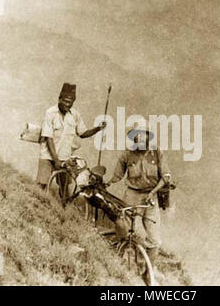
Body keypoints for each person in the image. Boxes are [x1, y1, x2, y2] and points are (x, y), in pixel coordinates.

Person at [106, 120, 172, 284]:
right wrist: (106, 182)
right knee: (127, 229)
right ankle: (123, 261)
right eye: (137, 136)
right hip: (132, 195)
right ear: (134, 138)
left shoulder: (157, 153)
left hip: (151, 197)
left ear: (148, 137)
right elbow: (117, 176)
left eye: (144, 136)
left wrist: (153, 193)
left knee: (154, 238)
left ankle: (148, 272)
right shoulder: (127, 154)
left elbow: (165, 177)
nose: (140, 139)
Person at [36, 83, 105, 190]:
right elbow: (48, 137)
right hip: (48, 157)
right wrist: (56, 160)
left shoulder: (75, 115)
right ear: (59, 99)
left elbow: (83, 133)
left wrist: (98, 128)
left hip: (65, 158)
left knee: (64, 188)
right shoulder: (50, 113)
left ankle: (65, 207)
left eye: (70, 102)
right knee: (41, 185)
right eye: (65, 101)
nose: (67, 104)